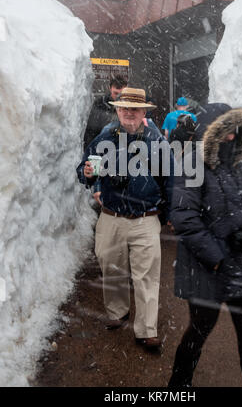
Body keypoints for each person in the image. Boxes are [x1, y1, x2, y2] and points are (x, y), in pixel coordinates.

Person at [168, 103, 242, 387]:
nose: (231, 135)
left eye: (235, 129)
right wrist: (217, 258)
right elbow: (185, 217)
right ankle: (178, 385)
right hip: (207, 268)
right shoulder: (193, 164)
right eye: (225, 129)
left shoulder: (238, 167)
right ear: (211, 131)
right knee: (199, 330)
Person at [77, 87, 174, 351]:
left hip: (145, 218)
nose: (129, 113)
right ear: (117, 111)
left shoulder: (156, 141)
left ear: (144, 112)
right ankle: (117, 312)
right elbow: (84, 168)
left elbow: (173, 178)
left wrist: (169, 213)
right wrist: (87, 173)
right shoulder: (105, 136)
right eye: (124, 108)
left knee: (146, 276)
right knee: (112, 268)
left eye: (134, 108)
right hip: (111, 217)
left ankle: (146, 330)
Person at [83, 75, 128, 149]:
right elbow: (91, 131)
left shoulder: (132, 107)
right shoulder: (100, 104)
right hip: (103, 146)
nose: (118, 97)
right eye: (116, 93)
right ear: (110, 89)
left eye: (121, 94)